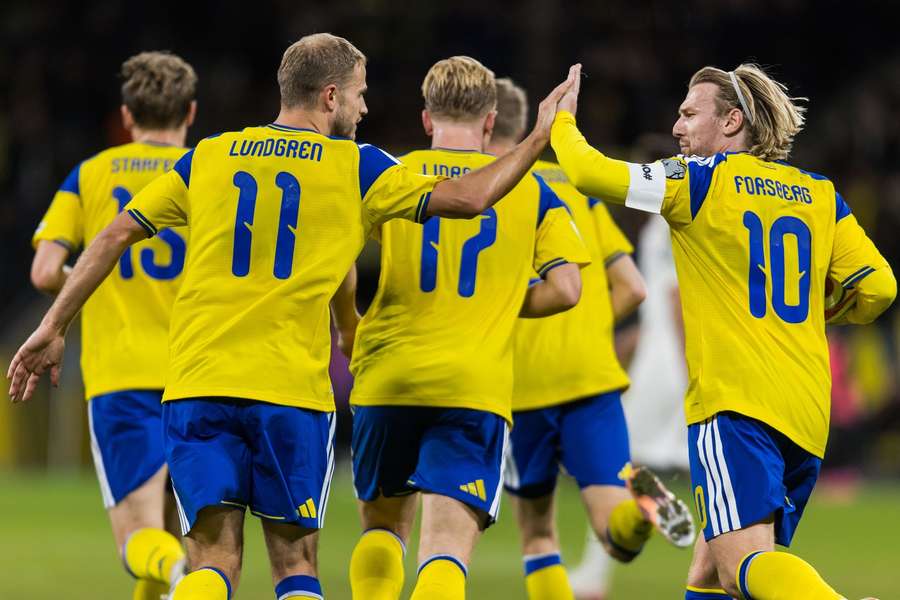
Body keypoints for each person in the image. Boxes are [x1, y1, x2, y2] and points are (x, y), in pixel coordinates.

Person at [8, 34, 579, 600]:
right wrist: (537, 139)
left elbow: (114, 233)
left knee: (209, 562)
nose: (364, 106)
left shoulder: (210, 154)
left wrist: (53, 325)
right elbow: (470, 199)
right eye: (358, 93)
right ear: (330, 96)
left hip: (199, 385)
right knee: (295, 564)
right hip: (291, 393)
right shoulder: (355, 166)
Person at [550, 62, 896, 600]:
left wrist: (562, 125)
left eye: (690, 114)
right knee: (708, 575)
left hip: (734, 403)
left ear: (732, 121)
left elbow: (590, 174)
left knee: (741, 566)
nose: (678, 127)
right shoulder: (821, 193)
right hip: (805, 407)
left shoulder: (699, 180)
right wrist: (824, 313)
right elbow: (879, 288)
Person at [344, 57, 590, 600]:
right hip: (472, 387)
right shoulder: (534, 193)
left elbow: (338, 259)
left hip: (388, 377)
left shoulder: (387, 175)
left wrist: (348, 327)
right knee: (445, 551)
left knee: (382, 530)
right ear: (490, 121)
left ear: (427, 119)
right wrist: (502, 300)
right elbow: (569, 288)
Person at [486, 78, 694, 600]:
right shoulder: (580, 195)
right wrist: (587, 328)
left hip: (523, 383)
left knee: (537, 533)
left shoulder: (486, 193)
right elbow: (633, 288)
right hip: (592, 377)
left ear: (488, 127)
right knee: (615, 531)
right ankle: (640, 512)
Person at [29, 51, 196, 600]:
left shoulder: (93, 173)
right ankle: (186, 578)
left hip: (122, 375)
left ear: (127, 116)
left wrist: (91, 279)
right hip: (199, 374)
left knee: (141, 541)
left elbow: (45, 269)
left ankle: (183, 580)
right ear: (190, 113)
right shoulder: (212, 173)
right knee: (179, 527)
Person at [567, 212, 690, 600]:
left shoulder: (667, 224)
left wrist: (692, 369)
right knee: (699, 466)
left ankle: (592, 576)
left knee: (619, 465)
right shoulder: (676, 222)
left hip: (667, 368)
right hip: (671, 362)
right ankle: (725, 567)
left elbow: (674, 299)